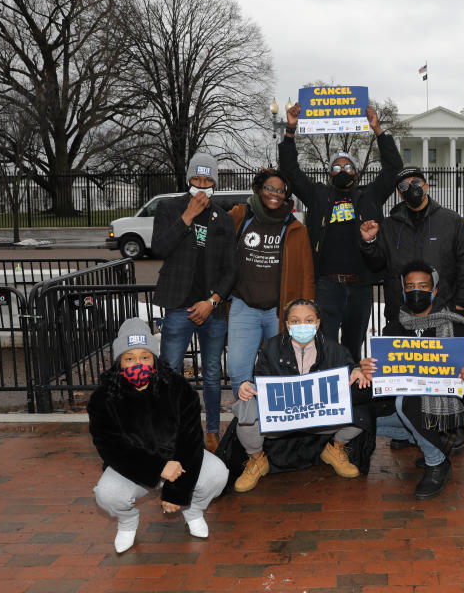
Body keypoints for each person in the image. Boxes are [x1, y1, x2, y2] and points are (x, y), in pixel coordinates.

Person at [88, 319, 229, 554]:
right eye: (129, 358)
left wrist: (178, 493)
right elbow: (111, 448)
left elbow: (190, 440)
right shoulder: (103, 398)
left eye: (145, 356)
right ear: (119, 362)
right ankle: (127, 521)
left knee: (217, 474)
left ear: (154, 358)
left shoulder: (178, 388)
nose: (138, 363)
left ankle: (192, 509)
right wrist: (157, 469)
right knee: (107, 494)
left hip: (180, 463)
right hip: (135, 469)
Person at [278, 102, 403, 359]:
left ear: (356, 174)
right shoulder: (318, 195)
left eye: (348, 167)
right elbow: (290, 171)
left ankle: (354, 397)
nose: (342, 171)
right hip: (327, 287)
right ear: (329, 174)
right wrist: (290, 131)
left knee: (353, 349)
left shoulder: (370, 196)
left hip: (359, 286)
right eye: (336, 167)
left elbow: (393, 169)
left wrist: (378, 130)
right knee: (325, 349)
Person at [361, 261, 464, 499]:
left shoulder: (458, 329)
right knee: (362, 417)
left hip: (451, 405)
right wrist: (368, 370)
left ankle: (437, 463)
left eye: (422, 286)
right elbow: (383, 383)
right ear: (403, 291)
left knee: (406, 403)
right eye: (410, 287)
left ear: (434, 290)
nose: (416, 291)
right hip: (408, 404)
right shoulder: (393, 330)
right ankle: (432, 437)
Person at [230, 298, 374, 492]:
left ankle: (335, 448)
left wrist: (356, 371)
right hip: (282, 423)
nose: (302, 326)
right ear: (288, 325)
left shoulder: (334, 349)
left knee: (363, 399)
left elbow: (350, 368)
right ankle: (257, 460)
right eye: (295, 321)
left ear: (317, 323)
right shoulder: (270, 348)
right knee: (246, 407)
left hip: (322, 420)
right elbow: (260, 385)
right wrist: (246, 386)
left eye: (309, 320)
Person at [151, 152, 237, 453]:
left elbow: (231, 268)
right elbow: (159, 246)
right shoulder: (169, 207)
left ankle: (212, 429)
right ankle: (172, 430)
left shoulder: (224, 218)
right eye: (197, 179)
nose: (202, 185)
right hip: (178, 305)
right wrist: (187, 215)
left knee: (212, 372)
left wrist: (213, 301)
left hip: (211, 308)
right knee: (170, 370)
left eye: (208, 179)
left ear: (215, 181)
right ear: (188, 179)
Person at [225, 169, 315, 413]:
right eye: (269, 188)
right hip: (244, 308)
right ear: (259, 189)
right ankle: (247, 427)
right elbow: (217, 249)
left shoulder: (296, 229)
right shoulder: (240, 216)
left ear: (286, 196)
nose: (274, 194)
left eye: (280, 190)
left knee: (281, 371)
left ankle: (275, 423)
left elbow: (306, 275)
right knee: (238, 370)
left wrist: (304, 313)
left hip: (279, 312)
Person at [359, 167, 464, 328]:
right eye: (404, 186)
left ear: (426, 186)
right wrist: (369, 242)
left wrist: (461, 304)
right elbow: (376, 264)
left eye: (415, 182)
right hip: (401, 314)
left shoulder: (451, 221)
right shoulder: (390, 225)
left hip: (442, 312)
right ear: (400, 194)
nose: (411, 188)